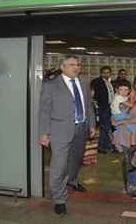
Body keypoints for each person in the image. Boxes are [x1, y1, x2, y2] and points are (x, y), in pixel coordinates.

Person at [38, 55, 96, 215]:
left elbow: (88, 105)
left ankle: (72, 180)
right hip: (59, 130)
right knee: (59, 165)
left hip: (81, 129)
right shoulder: (51, 85)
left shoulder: (84, 82)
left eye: (77, 64)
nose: (76, 67)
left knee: (76, 161)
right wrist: (43, 133)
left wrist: (91, 124)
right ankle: (59, 199)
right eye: (71, 65)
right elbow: (44, 110)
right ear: (62, 67)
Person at [91, 66, 114, 153]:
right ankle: (102, 147)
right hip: (102, 107)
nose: (106, 74)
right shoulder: (96, 82)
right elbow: (93, 94)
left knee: (108, 127)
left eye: (108, 72)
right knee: (104, 127)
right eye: (104, 72)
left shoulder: (111, 82)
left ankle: (107, 145)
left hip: (111, 106)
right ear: (101, 73)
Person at [110, 80, 136, 147]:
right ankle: (133, 145)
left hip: (118, 115)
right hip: (120, 116)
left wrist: (130, 95)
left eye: (126, 90)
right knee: (135, 129)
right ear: (116, 90)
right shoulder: (118, 97)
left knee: (130, 130)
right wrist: (131, 96)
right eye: (121, 90)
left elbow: (126, 98)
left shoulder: (119, 95)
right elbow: (131, 105)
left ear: (129, 90)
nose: (123, 92)